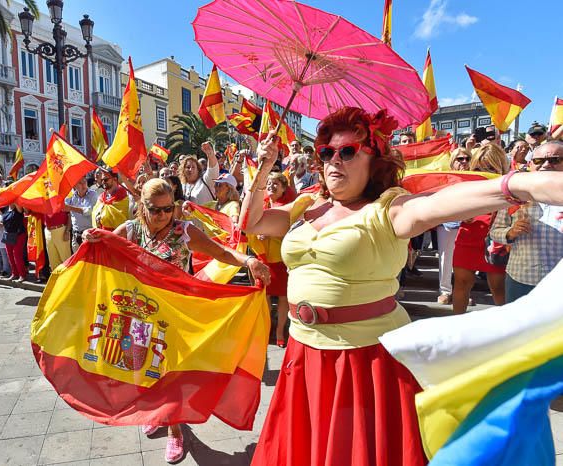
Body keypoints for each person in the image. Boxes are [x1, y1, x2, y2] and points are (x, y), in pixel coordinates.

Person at [239, 106, 563, 466]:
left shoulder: (387, 209)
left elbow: (438, 204)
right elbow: (251, 222)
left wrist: (519, 184)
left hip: (363, 358)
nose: (335, 161)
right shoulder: (306, 206)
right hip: (304, 351)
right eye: (327, 152)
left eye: (348, 152)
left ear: (373, 160)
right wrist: (264, 166)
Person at [83, 178, 270, 464]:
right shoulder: (131, 230)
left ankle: (175, 431)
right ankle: (154, 413)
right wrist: (91, 238)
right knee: (142, 368)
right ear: (141, 207)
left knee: (173, 374)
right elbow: (106, 247)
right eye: (155, 210)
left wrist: (248, 262)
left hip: (176, 316)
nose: (162, 216)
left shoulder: (184, 231)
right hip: (141, 315)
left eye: (168, 209)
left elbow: (219, 252)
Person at [490, 140, 563, 302]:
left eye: (554, 160)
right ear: (530, 164)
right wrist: (510, 232)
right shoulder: (515, 195)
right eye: (538, 161)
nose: (546, 165)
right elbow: (495, 232)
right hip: (521, 280)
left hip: (558, 284)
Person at [451, 144, 509, 313]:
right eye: (479, 167)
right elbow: (452, 209)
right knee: (461, 283)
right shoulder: (466, 184)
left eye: (490, 167)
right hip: (468, 236)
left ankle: (506, 330)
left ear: (501, 167)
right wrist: (461, 214)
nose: (484, 171)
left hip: (497, 238)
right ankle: (457, 327)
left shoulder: (509, 184)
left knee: (498, 287)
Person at [251, 171, 296, 347]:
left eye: (276, 183)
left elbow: (291, 233)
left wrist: (270, 233)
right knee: (265, 297)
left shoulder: (288, 208)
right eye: (269, 182)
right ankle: (267, 329)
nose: (271, 185)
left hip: (280, 260)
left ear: (284, 188)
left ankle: (279, 332)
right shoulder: (261, 204)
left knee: (283, 297)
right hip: (263, 259)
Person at [435, 148, 471, 304]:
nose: (464, 162)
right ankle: (445, 290)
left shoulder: (476, 179)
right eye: (460, 159)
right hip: (448, 224)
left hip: (470, 224)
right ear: (452, 162)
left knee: (465, 260)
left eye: (467, 158)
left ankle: (463, 291)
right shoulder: (445, 179)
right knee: (446, 258)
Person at [64, 176, 99, 252]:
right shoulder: (71, 196)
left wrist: (71, 208)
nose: (83, 185)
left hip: (89, 235)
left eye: (85, 182)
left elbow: (89, 211)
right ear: (74, 185)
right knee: (78, 262)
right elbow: (63, 206)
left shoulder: (93, 194)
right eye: (80, 183)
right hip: (76, 235)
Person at [2, 204, 27, 282]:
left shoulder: (18, 208)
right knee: (10, 255)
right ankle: (14, 274)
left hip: (19, 234)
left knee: (16, 254)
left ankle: (22, 275)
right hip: (8, 235)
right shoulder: (5, 209)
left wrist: (15, 198)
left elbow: (20, 209)